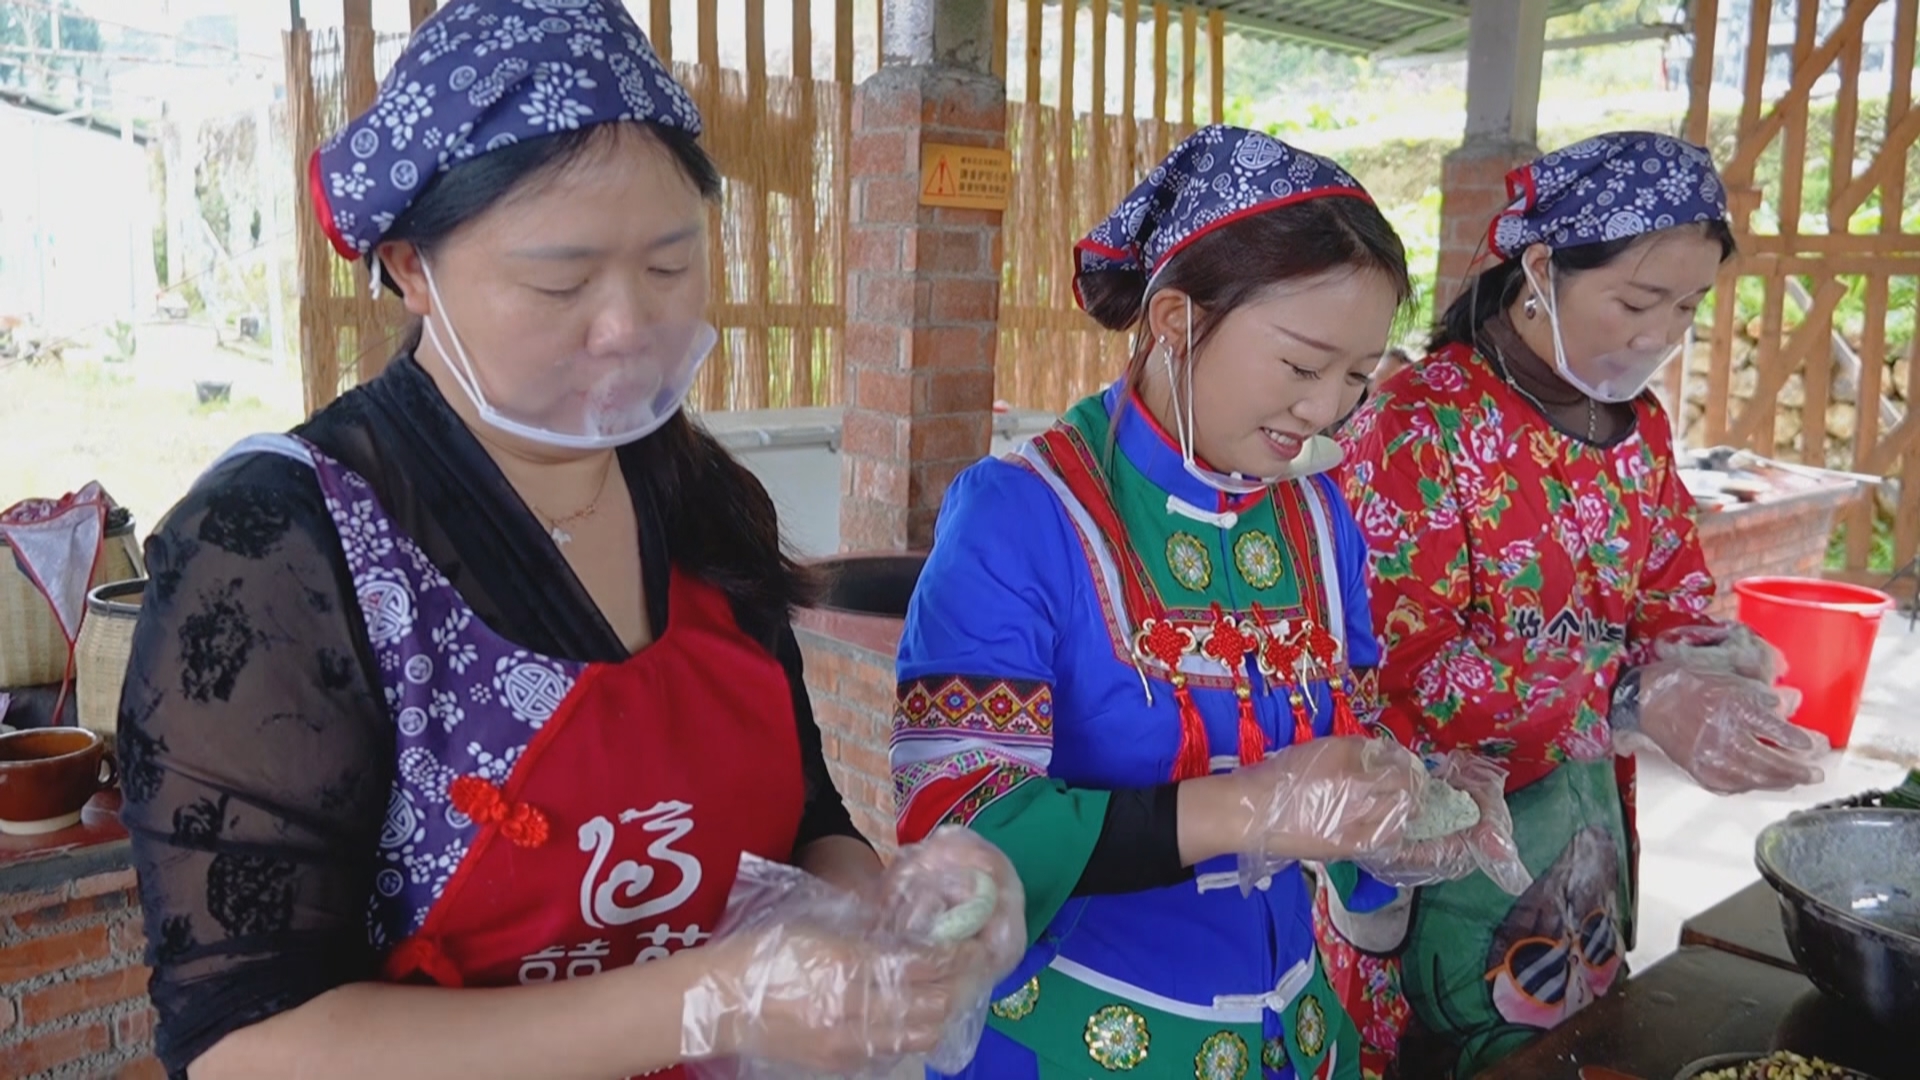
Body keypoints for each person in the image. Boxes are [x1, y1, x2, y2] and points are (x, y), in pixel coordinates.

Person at [116, 5, 1020, 1078]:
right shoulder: (275, 552)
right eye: (561, 281)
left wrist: (886, 917)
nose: (628, 327)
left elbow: (805, 819)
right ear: (411, 266)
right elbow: (241, 1044)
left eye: (670, 267)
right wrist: (708, 1002)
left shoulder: (706, 503)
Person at [891, 125, 1519, 1080]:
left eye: (1358, 376)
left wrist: (1404, 808)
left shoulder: (1319, 518)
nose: (1327, 410)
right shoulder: (1022, 515)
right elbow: (960, 828)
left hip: (1297, 1039)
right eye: (1302, 367)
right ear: (1177, 319)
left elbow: (1347, 732)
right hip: (1078, 1045)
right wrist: (1246, 808)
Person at [1332, 132, 1830, 1077]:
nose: (1660, 335)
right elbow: (1397, 673)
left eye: (1688, 306)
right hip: (1437, 847)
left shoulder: (1641, 430)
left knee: (1584, 1047)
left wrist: (1711, 669)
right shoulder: (1419, 426)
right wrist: (1631, 696)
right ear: (1540, 268)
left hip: (1584, 845)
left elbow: (1671, 592)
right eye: (1637, 301)